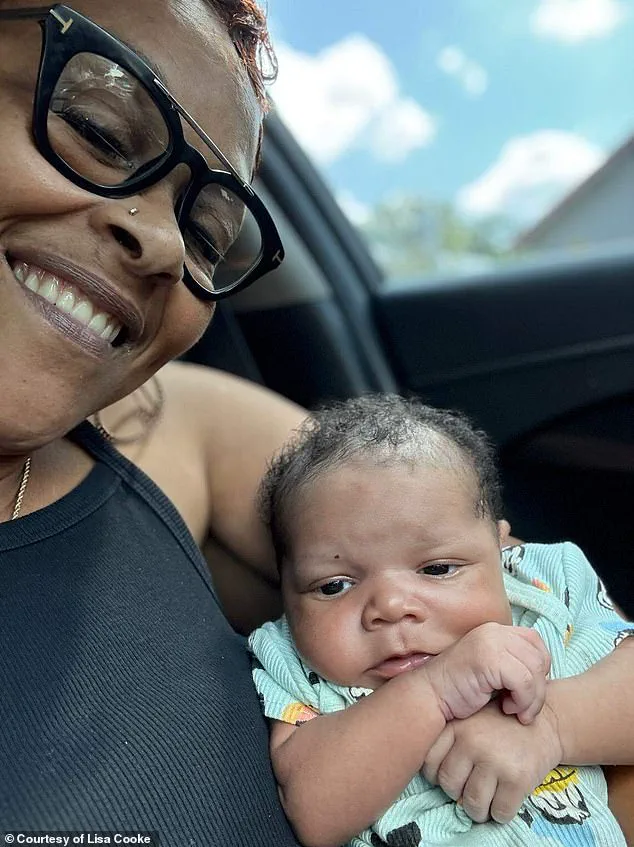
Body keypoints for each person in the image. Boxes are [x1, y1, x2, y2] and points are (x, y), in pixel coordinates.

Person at [0, 1, 307, 842]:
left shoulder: (169, 431)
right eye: (98, 130)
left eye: (206, 235)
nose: (170, 247)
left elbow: (550, 632)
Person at [249, 394, 634, 847]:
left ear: (501, 549)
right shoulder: (292, 661)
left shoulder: (545, 586)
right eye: (334, 586)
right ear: (286, 590)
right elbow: (314, 810)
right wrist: (434, 690)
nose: (392, 606)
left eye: (436, 569)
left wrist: (552, 725)